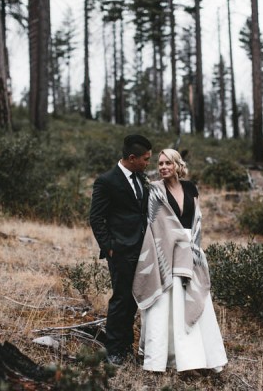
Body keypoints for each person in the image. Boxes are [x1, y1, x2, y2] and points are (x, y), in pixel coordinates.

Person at [132, 148, 228, 373]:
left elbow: (197, 221)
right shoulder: (154, 190)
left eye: (168, 163)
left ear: (177, 165)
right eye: (160, 164)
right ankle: (164, 359)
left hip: (191, 251)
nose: (163, 167)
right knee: (166, 306)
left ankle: (197, 358)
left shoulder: (190, 188)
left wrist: (193, 247)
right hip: (167, 251)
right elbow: (155, 223)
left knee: (193, 301)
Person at [89, 134, 153, 366]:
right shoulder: (106, 181)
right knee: (121, 299)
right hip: (121, 251)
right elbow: (96, 218)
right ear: (132, 158)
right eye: (146, 159)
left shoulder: (141, 178)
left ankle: (126, 344)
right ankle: (114, 350)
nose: (148, 163)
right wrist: (110, 248)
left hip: (143, 249)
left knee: (134, 299)